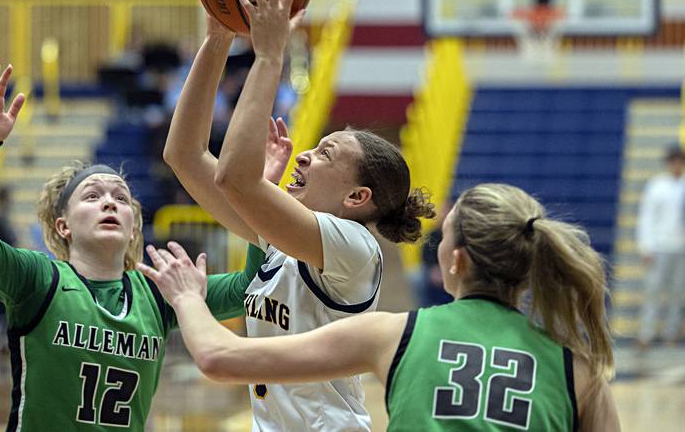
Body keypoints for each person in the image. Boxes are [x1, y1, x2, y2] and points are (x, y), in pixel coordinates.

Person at [163, 0, 434, 431]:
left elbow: (234, 176)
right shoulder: (281, 241)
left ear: (356, 197)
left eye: (325, 152)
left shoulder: (353, 248)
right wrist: (218, 41)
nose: (305, 153)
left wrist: (270, 54)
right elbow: (185, 154)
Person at [140, 183, 621, 432]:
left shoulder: (395, 333)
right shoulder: (579, 369)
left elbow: (219, 358)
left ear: (456, 260)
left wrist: (186, 297)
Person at [0, 62, 270, 430]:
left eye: (121, 197)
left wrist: (259, 199)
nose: (109, 202)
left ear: (134, 227)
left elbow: (252, 286)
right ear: (63, 225)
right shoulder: (39, 279)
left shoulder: (161, 293)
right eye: (92, 195)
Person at [636, 144, 685, 348]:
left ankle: (670, 334)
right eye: (673, 161)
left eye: (679, 161)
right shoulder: (656, 185)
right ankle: (646, 334)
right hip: (660, 247)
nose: (676, 165)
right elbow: (646, 217)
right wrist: (646, 246)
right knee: (653, 292)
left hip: (681, 248)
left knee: (678, 293)